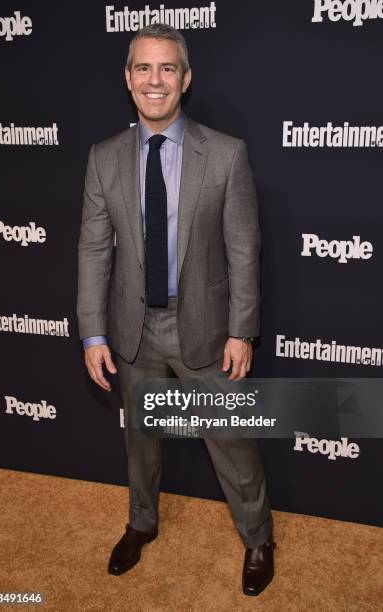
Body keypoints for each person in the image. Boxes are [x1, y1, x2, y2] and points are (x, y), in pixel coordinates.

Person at [77, 23, 276, 596]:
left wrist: (243, 331)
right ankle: (141, 522)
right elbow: (93, 251)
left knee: (232, 443)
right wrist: (93, 335)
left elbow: (244, 250)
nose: (155, 79)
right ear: (128, 79)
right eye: (143, 68)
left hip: (208, 331)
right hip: (132, 331)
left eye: (167, 68)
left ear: (185, 80)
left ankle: (258, 536)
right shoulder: (103, 158)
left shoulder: (227, 155)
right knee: (140, 440)